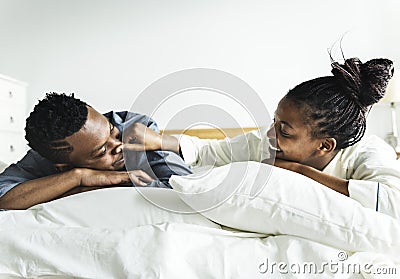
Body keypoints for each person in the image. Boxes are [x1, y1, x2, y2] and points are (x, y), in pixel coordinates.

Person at [124, 57, 400, 219]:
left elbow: (392, 201)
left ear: (325, 145)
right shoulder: (265, 144)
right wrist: (160, 141)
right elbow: (212, 152)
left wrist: (297, 171)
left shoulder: (368, 153)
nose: (270, 134)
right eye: (274, 122)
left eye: (285, 131)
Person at [0, 93, 191, 210]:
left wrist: (82, 190)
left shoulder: (136, 131)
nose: (118, 146)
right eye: (101, 152)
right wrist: (79, 177)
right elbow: (5, 198)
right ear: (63, 166)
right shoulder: (47, 154)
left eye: (112, 131)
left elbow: (186, 189)